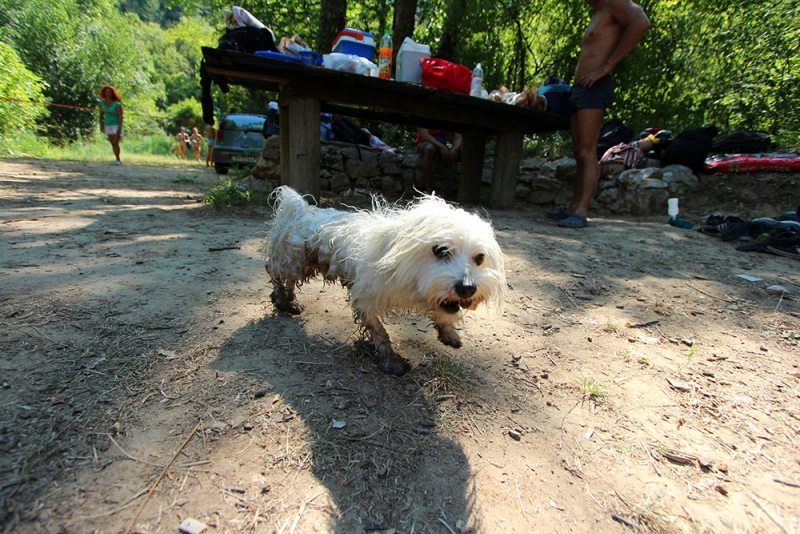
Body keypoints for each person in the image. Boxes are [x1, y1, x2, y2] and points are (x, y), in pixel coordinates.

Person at [548, 0, 650, 228]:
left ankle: (582, 211)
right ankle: (573, 207)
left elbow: (641, 22)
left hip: (596, 86)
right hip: (580, 88)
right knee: (578, 151)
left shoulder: (615, 3)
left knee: (587, 151)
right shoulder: (598, 12)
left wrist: (608, 66)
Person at [416, 128, 463, 194]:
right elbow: (424, 136)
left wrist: (454, 149)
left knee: (462, 153)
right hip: (427, 142)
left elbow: (458, 137)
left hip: (442, 143)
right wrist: (442, 147)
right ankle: (428, 190)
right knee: (429, 149)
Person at [99, 86, 124, 165]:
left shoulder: (117, 104)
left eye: (109, 92)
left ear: (112, 93)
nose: (108, 93)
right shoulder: (101, 103)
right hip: (107, 124)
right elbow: (101, 114)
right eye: (106, 92)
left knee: (115, 142)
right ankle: (116, 159)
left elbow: (120, 116)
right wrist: (101, 124)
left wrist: (119, 127)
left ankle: (118, 160)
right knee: (112, 143)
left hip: (116, 124)